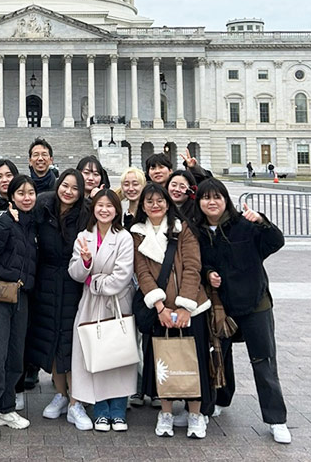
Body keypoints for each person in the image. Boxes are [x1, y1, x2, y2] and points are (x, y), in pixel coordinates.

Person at [193, 178, 291, 444]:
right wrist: (208, 273)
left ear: (225, 199)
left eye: (216, 197)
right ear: (199, 202)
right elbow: (198, 263)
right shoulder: (198, 232)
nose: (211, 202)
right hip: (221, 307)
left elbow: (275, 242)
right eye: (205, 198)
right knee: (218, 358)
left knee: (264, 362)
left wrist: (262, 221)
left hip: (254, 303)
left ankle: (276, 419)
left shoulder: (245, 226)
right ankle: (218, 401)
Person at [131, 183, 212, 439]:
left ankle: (195, 414)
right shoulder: (137, 233)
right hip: (161, 308)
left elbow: (192, 267)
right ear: (142, 206)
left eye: (160, 200)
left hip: (191, 307)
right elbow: (141, 272)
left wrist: (185, 306)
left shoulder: (182, 228)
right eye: (149, 201)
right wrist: (160, 307)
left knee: (193, 359)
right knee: (163, 360)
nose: (155, 205)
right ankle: (165, 412)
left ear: (167, 202)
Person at [27, 169, 94, 430]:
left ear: (80, 193)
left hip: (74, 281)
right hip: (46, 281)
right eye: (64, 186)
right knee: (52, 339)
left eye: (74, 188)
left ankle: (76, 402)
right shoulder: (44, 207)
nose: (68, 191)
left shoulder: (85, 214)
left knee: (72, 341)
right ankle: (61, 394)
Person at [68, 189, 136, 433]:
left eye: (109, 205)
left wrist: (95, 282)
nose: (104, 209)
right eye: (100, 205)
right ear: (93, 208)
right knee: (93, 354)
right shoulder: (83, 236)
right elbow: (75, 273)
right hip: (90, 304)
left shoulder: (124, 237)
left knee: (118, 355)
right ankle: (100, 408)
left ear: (117, 210)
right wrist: (86, 262)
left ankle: (118, 408)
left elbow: (122, 275)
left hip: (117, 302)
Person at [0, 175, 38, 441]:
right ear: (11, 196)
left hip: (21, 294)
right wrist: (4, 221)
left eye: (31, 193)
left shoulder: (33, 223)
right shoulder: (2, 219)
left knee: (15, 355)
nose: (27, 197)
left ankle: (7, 407)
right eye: (21, 193)